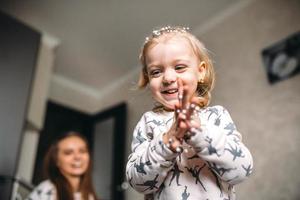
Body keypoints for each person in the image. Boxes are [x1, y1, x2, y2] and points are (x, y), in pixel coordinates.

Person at [126, 26, 253, 200]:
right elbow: (137, 182)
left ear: (200, 71)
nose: (168, 78)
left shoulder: (216, 116)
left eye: (179, 67)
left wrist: (199, 134)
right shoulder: (148, 122)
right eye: (156, 71)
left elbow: (241, 171)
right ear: (149, 79)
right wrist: (167, 141)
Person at [27, 131, 98, 200]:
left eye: (82, 151)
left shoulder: (89, 196)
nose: (77, 157)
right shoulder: (47, 189)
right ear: (56, 160)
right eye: (68, 153)